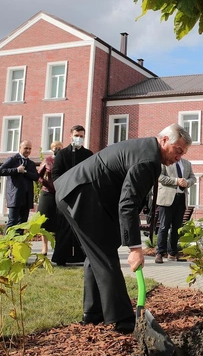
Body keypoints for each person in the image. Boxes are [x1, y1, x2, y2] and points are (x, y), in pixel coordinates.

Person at [54, 123, 192, 332]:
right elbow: (128, 203)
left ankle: (93, 313)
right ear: (165, 140)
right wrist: (135, 249)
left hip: (83, 194)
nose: (179, 157)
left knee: (98, 254)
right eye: (178, 151)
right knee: (105, 255)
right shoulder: (147, 160)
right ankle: (122, 321)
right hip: (81, 194)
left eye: (183, 154)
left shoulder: (148, 152)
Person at [51, 125, 93, 266]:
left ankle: (82, 257)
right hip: (65, 196)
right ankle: (61, 258)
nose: (79, 138)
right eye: (76, 135)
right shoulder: (62, 154)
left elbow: (92, 173)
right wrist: (65, 187)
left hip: (82, 197)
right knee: (64, 227)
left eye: (81, 136)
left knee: (83, 228)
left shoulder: (88, 155)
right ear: (70, 135)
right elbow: (55, 174)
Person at [154, 158, 196, 263]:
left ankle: (172, 253)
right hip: (167, 199)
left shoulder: (187, 163)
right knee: (164, 226)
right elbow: (159, 176)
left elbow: (193, 178)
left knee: (177, 227)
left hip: (181, 198)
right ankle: (160, 253)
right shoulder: (164, 161)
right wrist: (176, 181)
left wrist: (187, 182)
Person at [0, 140, 39, 233]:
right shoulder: (12, 159)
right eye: (26, 148)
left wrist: (26, 172)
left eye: (30, 148)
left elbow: (36, 177)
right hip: (15, 197)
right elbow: (0, 171)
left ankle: (18, 245)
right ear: (20, 148)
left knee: (22, 224)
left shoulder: (31, 163)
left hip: (27, 197)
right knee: (12, 222)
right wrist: (16, 170)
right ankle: (7, 245)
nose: (28, 150)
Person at [37, 141, 63, 255]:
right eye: (55, 147)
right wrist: (46, 184)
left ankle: (58, 248)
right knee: (45, 221)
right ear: (51, 149)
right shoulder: (47, 160)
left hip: (60, 193)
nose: (57, 149)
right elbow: (38, 175)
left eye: (59, 147)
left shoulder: (63, 160)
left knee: (60, 221)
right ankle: (44, 247)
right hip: (47, 193)